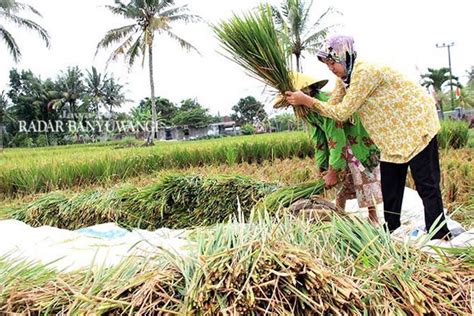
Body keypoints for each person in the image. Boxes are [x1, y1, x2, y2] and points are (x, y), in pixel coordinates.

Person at [285, 35, 451, 240]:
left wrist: (308, 101)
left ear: (346, 56)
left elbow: (342, 112)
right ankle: (391, 228)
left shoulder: (364, 73)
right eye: (328, 64)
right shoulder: (345, 78)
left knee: (426, 181)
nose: (331, 68)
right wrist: (305, 101)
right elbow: (334, 103)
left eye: (333, 62)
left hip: (416, 125)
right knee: (390, 182)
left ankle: (440, 232)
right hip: (393, 134)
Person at [277, 72, 382, 223]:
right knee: (341, 180)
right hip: (339, 145)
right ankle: (339, 214)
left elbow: (336, 137)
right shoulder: (305, 111)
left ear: (307, 91)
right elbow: (318, 139)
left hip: (354, 139)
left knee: (361, 174)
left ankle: (373, 217)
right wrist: (323, 168)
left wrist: (332, 171)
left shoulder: (326, 103)